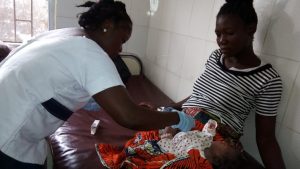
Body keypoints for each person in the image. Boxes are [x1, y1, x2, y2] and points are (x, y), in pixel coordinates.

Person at [0, 0, 194, 168]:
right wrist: (176, 118)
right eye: (122, 40)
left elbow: (73, 89)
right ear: (107, 25)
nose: (120, 49)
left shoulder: (66, 35)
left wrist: (132, 107)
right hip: (8, 135)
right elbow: (129, 117)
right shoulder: (91, 52)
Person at [167, 0, 286, 168]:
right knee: (139, 149)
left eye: (229, 33)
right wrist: (171, 106)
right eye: (218, 34)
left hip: (213, 141)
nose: (221, 40)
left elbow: (266, 139)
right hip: (183, 123)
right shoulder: (216, 56)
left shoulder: (268, 79)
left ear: (250, 29)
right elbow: (202, 94)